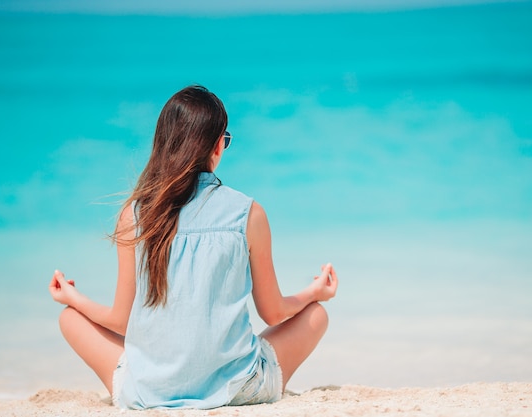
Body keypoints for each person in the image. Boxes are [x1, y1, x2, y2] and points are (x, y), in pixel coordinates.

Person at [48, 85, 339, 410]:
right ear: (217, 145)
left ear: (164, 145)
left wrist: (72, 297)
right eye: (224, 140)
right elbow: (272, 312)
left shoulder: (135, 214)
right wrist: (315, 292)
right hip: (239, 388)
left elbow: (121, 320)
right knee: (316, 315)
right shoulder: (248, 212)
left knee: (69, 318)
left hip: (147, 393)